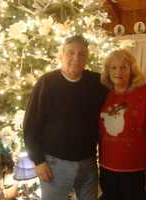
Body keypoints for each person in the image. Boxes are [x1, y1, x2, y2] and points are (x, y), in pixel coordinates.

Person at [23, 35, 107, 200]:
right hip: (55, 164)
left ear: (87, 58)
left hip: (88, 163)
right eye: (71, 53)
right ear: (61, 55)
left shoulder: (96, 82)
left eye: (81, 54)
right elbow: (30, 125)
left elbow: (122, 88)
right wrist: (38, 161)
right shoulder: (46, 83)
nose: (76, 58)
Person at [99, 49, 146, 200]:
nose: (118, 72)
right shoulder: (104, 93)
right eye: (113, 67)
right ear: (107, 71)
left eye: (123, 67)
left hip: (135, 167)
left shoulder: (143, 93)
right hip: (107, 165)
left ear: (132, 69)